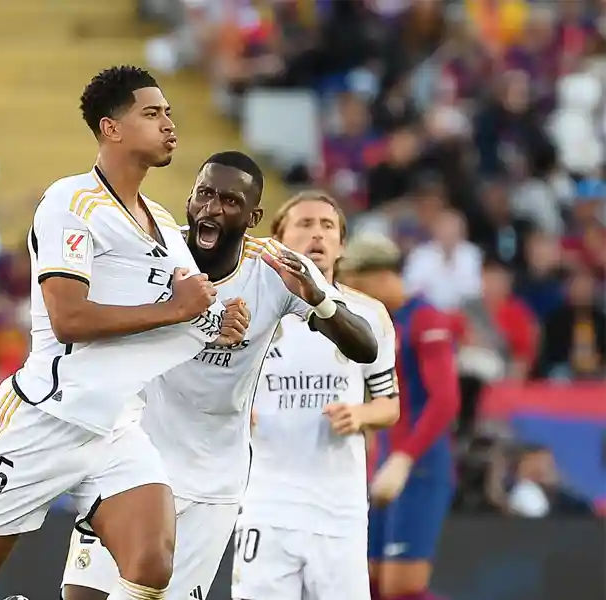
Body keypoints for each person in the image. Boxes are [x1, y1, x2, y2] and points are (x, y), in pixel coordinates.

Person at [0, 65, 249, 600]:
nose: (169, 125)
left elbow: (190, 311)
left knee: (151, 564)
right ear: (111, 129)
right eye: (152, 114)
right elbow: (69, 318)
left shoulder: (158, 220)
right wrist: (177, 309)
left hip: (115, 428)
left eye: (170, 114)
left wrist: (223, 324)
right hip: (44, 419)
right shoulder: (69, 202)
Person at [61, 169, 380, 600]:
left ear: (253, 216)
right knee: (85, 595)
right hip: (134, 456)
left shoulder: (276, 269)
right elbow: (85, 324)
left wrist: (317, 297)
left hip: (214, 480)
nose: (211, 208)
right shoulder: (155, 253)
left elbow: (365, 347)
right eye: (204, 194)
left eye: (229, 201)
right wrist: (188, 315)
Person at [233, 192, 399, 600]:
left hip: (338, 510)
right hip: (266, 503)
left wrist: (360, 416)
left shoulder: (369, 316)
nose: (317, 234)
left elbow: (389, 405)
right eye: (304, 224)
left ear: (341, 245)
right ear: (279, 238)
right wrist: (237, 410)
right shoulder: (248, 310)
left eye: (328, 226)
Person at [337, 235, 462, 600]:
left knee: (402, 589)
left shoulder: (426, 319)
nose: (354, 296)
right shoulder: (382, 323)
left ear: (379, 276)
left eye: (357, 286)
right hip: (383, 464)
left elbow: (444, 400)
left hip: (419, 467)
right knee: (369, 585)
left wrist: (404, 459)